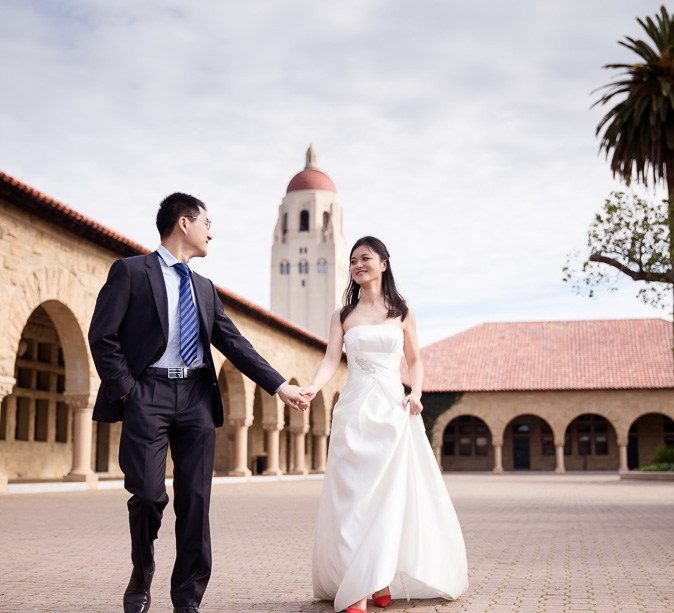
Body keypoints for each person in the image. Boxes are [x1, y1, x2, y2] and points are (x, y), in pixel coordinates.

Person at [88, 192, 309, 613]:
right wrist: (128, 390)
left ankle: (187, 599)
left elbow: (234, 343)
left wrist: (280, 386)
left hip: (196, 399)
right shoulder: (131, 272)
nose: (211, 234)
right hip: (147, 394)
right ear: (184, 223)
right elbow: (102, 336)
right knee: (148, 495)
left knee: (195, 502)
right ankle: (142, 570)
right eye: (207, 224)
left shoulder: (204, 288)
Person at [304, 236, 469, 613]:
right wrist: (313, 387)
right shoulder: (342, 315)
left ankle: (377, 579)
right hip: (354, 410)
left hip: (393, 411)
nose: (358, 265)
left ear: (383, 263)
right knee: (353, 499)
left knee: (387, 498)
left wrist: (417, 392)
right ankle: (361, 584)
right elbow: (331, 359)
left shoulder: (403, 312)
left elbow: (415, 361)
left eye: (365, 258)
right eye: (352, 260)